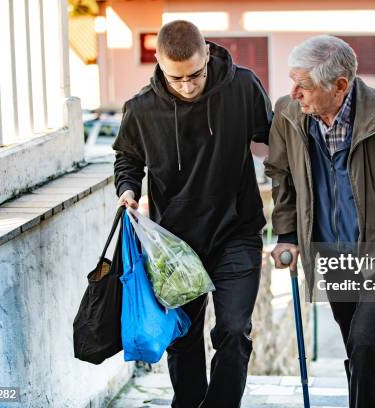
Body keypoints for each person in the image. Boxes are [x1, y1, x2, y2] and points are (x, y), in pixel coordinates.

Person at [264, 35, 375, 407]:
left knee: (366, 342)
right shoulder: (288, 115)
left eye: (304, 84)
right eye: (292, 81)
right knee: (359, 348)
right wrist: (286, 234)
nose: (294, 92)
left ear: (340, 86)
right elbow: (282, 176)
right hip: (334, 258)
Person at [113, 20, 272, 408]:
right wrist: (128, 191)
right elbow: (127, 159)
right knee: (183, 341)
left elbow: (276, 141)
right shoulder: (141, 109)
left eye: (195, 75)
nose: (187, 86)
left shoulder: (242, 87)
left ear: (208, 55)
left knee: (234, 332)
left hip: (237, 231)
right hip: (174, 244)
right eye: (176, 78)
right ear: (160, 66)